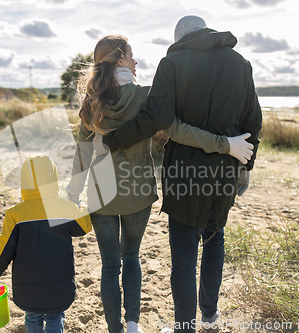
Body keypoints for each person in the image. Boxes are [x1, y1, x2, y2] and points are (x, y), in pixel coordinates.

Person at [66, 34, 255, 333]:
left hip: (100, 193)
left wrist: (73, 193)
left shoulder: (91, 101)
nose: (136, 60)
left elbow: (83, 152)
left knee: (109, 265)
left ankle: (115, 329)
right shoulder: (145, 97)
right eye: (131, 55)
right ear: (119, 60)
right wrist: (225, 145)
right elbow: (179, 131)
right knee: (131, 257)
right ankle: (132, 325)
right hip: (137, 192)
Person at [0, 154, 92, 333]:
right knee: (56, 315)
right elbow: (83, 227)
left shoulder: (15, 214)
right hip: (59, 281)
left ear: (24, 182)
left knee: (32, 316)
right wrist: (82, 208)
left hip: (27, 285)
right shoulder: (65, 208)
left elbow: (3, 250)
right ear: (54, 179)